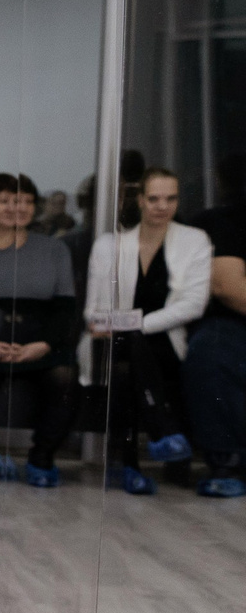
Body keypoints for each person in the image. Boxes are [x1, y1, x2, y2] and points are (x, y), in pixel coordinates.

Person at [85, 167, 211, 496]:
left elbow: (194, 305)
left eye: (170, 199)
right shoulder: (110, 246)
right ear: (140, 200)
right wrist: (119, 326)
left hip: (165, 344)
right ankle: (161, 431)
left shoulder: (194, 241)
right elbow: (93, 312)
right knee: (127, 355)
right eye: (154, 198)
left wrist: (135, 324)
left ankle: (129, 466)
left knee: (128, 361)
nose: (162, 206)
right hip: (112, 343)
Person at [0, 172, 82, 487]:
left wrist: (44, 344)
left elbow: (65, 308)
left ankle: (42, 457)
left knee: (64, 377)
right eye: (6, 201)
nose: (18, 208)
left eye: (27, 202)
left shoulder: (54, 249)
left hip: (40, 336)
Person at [183, 196, 246, 497]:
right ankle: (227, 461)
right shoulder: (225, 221)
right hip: (232, 322)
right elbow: (228, 287)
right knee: (213, 352)